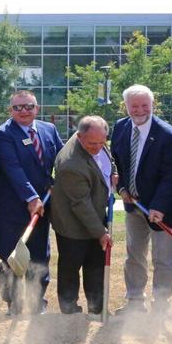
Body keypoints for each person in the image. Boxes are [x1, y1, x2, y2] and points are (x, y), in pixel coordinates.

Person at [109, 84, 172, 313]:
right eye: (134, 106)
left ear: (152, 105)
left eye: (145, 105)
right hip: (134, 206)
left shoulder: (168, 135)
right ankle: (134, 301)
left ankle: (161, 304)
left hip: (162, 209)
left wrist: (159, 207)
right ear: (126, 107)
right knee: (134, 255)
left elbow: (171, 175)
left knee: (162, 258)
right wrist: (122, 188)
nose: (140, 110)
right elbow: (118, 164)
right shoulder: (120, 128)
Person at [0, 89, 63, 313]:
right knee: (9, 255)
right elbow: (13, 169)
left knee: (40, 254)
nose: (24, 111)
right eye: (18, 107)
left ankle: (36, 300)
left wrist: (56, 181)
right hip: (9, 208)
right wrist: (31, 197)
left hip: (42, 207)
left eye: (29, 106)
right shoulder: (2, 134)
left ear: (37, 108)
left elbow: (61, 158)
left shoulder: (48, 130)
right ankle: (14, 301)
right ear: (10, 110)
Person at [49, 116, 114, 315]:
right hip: (72, 224)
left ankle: (97, 308)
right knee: (71, 267)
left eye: (102, 143)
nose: (97, 147)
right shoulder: (72, 164)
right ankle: (70, 311)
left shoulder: (96, 141)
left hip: (94, 214)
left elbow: (106, 160)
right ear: (79, 137)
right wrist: (101, 232)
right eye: (92, 144)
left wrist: (113, 173)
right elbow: (81, 205)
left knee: (95, 264)